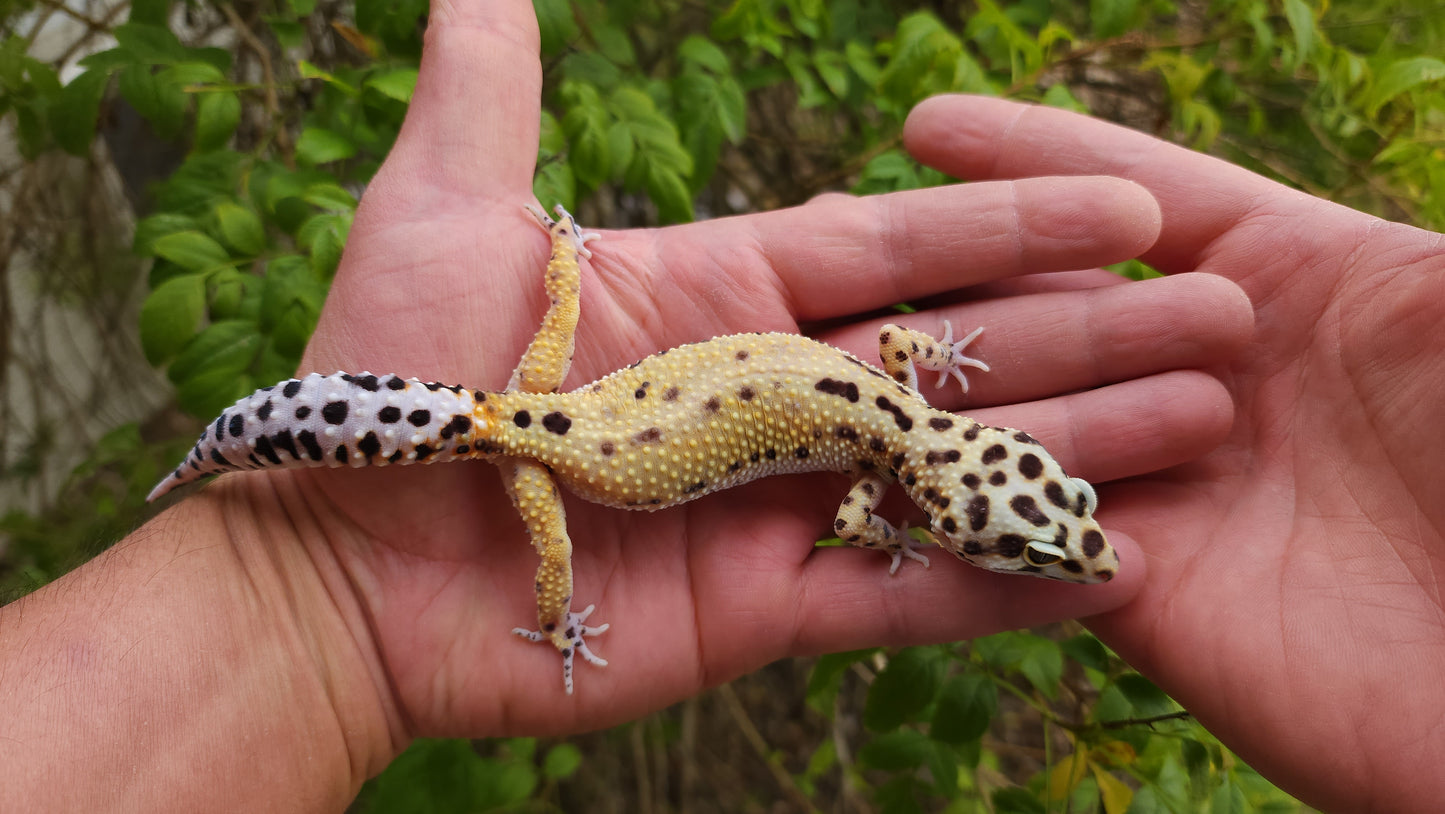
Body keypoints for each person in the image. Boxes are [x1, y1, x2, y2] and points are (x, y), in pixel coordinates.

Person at [1, 2, 1437, 811]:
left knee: (523, 389)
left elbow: (879, 449)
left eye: (1038, 535)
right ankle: (385, 512)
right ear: (956, 490)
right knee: (537, 523)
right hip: (541, 455)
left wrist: (566, 266)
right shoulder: (884, 476)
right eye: (1037, 532)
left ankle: (259, 434)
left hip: (542, 412)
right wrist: (494, 612)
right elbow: (866, 504)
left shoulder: (895, 404)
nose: (1057, 547)